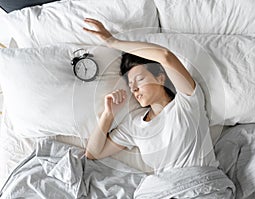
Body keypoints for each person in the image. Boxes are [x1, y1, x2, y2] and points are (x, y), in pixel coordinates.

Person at [83, 18, 219, 174]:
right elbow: (93, 153)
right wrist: (108, 115)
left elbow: (165, 56)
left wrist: (113, 42)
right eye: (130, 85)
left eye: (139, 80)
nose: (134, 88)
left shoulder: (187, 101)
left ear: (160, 78)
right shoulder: (134, 124)